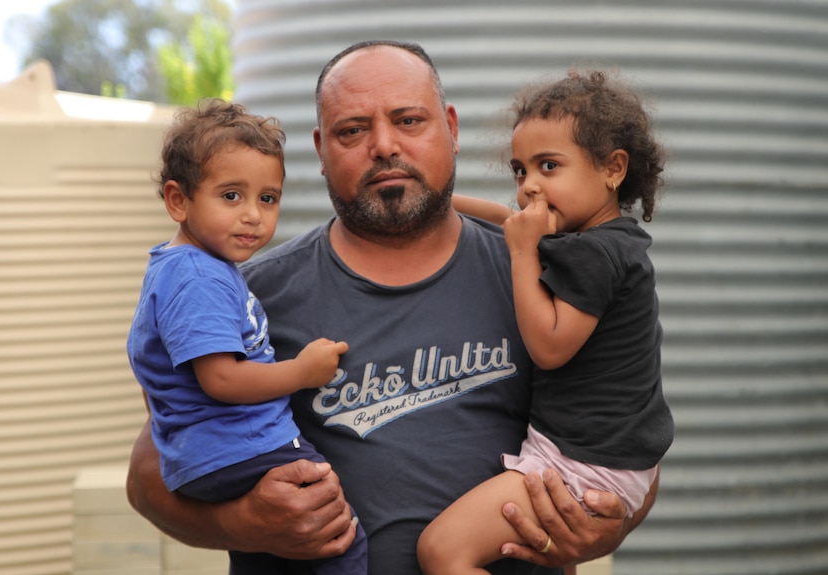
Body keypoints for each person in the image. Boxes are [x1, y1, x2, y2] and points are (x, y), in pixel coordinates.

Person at [126, 42, 660, 575]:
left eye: (408, 120)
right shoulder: (246, 295)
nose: (384, 146)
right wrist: (240, 522)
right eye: (352, 130)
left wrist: (606, 523)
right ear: (320, 149)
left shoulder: (541, 274)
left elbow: (627, 439)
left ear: (450, 127)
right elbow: (150, 474)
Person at [416, 70, 674, 575]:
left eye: (548, 166)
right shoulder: (606, 238)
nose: (529, 186)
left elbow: (551, 347)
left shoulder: (595, 256)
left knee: (442, 552)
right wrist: (439, 203)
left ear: (613, 169)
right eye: (520, 171)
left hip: (581, 464)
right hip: (595, 455)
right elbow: (504, 216)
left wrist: (520, 254)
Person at [126, 98, 367, 574]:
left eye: (268, 198)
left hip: (211, 453)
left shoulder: (192, 267)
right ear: (179, 200)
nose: (253, 215)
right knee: (341, 540)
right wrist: (301, 372)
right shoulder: (199, 276)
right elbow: (222, 380)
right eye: (231, 195)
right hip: (244, 447)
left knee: (280, 557)